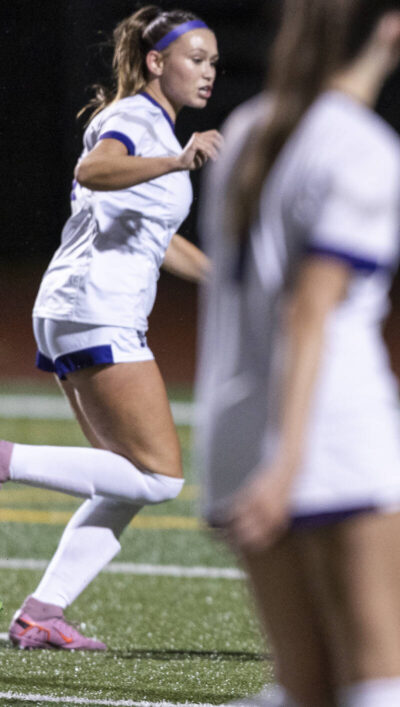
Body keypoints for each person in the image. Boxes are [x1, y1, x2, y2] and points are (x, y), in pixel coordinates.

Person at [195, 1, 400, 705]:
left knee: (305, 688)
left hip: (235, 432)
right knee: (382, 685)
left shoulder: (247, 127)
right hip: (330, 440)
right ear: (392, 28)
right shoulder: (364, 147)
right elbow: (308, 308)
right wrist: (288, 458)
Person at [0, 6, 221, 650]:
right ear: (157, 62)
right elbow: (93, 170)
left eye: (213, 63)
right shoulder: (133, 120)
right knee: (159, 478)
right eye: (196, 59)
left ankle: (42, 612)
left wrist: (229, 286)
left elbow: (159, 240)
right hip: (96, 306)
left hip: (78, 305)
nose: (208, 73)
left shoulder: (152, 124)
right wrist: (179, 162)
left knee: (125, 476)